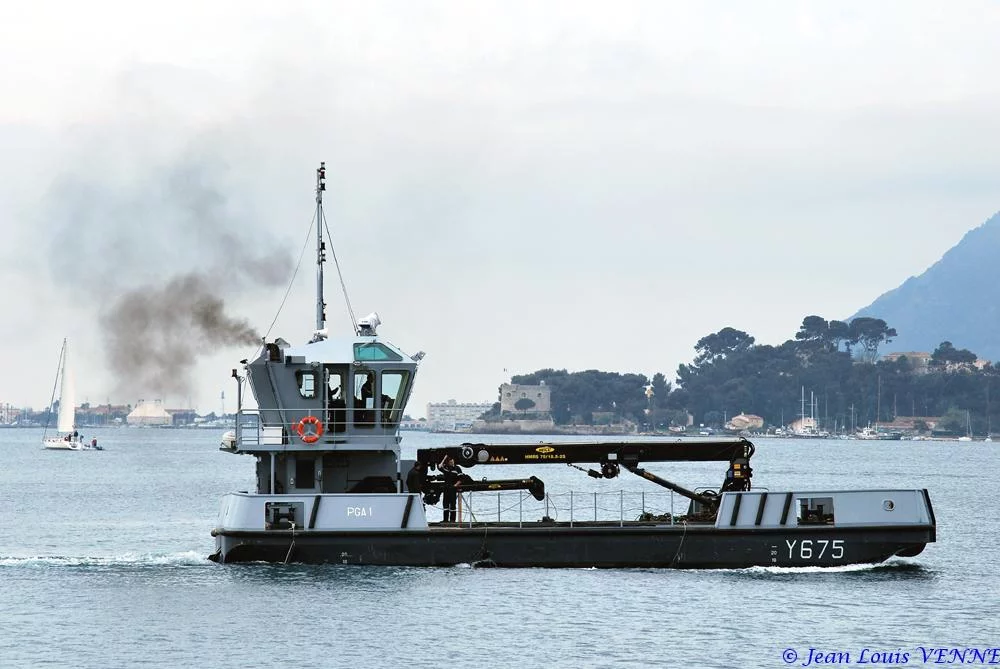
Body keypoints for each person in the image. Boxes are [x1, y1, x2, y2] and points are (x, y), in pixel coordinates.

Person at [439, 455, 462, 523]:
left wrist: (455, 485)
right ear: (448, 462)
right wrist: (444, 458)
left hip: (452, 488)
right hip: (446, 488)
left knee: (452, 504)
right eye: (450, 462)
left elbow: (461, 479)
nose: (451, 463)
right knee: (445, 504)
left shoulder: (457, 468)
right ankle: (445, 519)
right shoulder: (446, 468)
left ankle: (452, 519)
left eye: (452, 461)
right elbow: (440, 466)